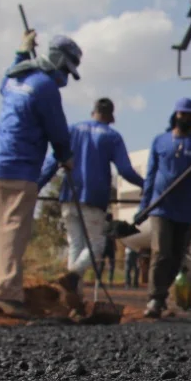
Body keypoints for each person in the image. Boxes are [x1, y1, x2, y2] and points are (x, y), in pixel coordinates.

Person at [0, 29, 81, 319]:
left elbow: (6, 80)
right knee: (14, 230)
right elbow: (57, 129)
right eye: (65, 69)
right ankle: (8, 293)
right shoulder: (45, 87)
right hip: (21, 167)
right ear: (56, 61)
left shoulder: (14, 78)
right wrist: (66, 157)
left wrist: (21, 52)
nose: (64, 78)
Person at [36, 96, 143, 316]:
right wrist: (145, 184)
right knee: (97, 244)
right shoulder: (111, 136)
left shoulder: (72, 129)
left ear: (92, 111)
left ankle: (74, 299)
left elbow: (53, 160)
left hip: (69, 194)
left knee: (75, 244)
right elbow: (124, 170)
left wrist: (36, 186)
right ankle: (73, 276)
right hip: (93, 197)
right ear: (111, 116)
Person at [135, 96, 191, 319]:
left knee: (176, 255)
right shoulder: (160, 141)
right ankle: (154, 299)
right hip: (161, 206)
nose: (187, 118)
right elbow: (151, 175)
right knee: (161, 252)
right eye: (183, 114)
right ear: (176, 115)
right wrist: (144, 204)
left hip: (186, 208)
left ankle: (162, 295)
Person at [102, 213, 117, 285]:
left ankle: (98, 280)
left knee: (101, 264)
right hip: (110, 247)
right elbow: (113, 237)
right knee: (112, 264)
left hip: (103, 247)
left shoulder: (102, 226)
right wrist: (115, 246)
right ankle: (110, 280)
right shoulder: (112, 226)